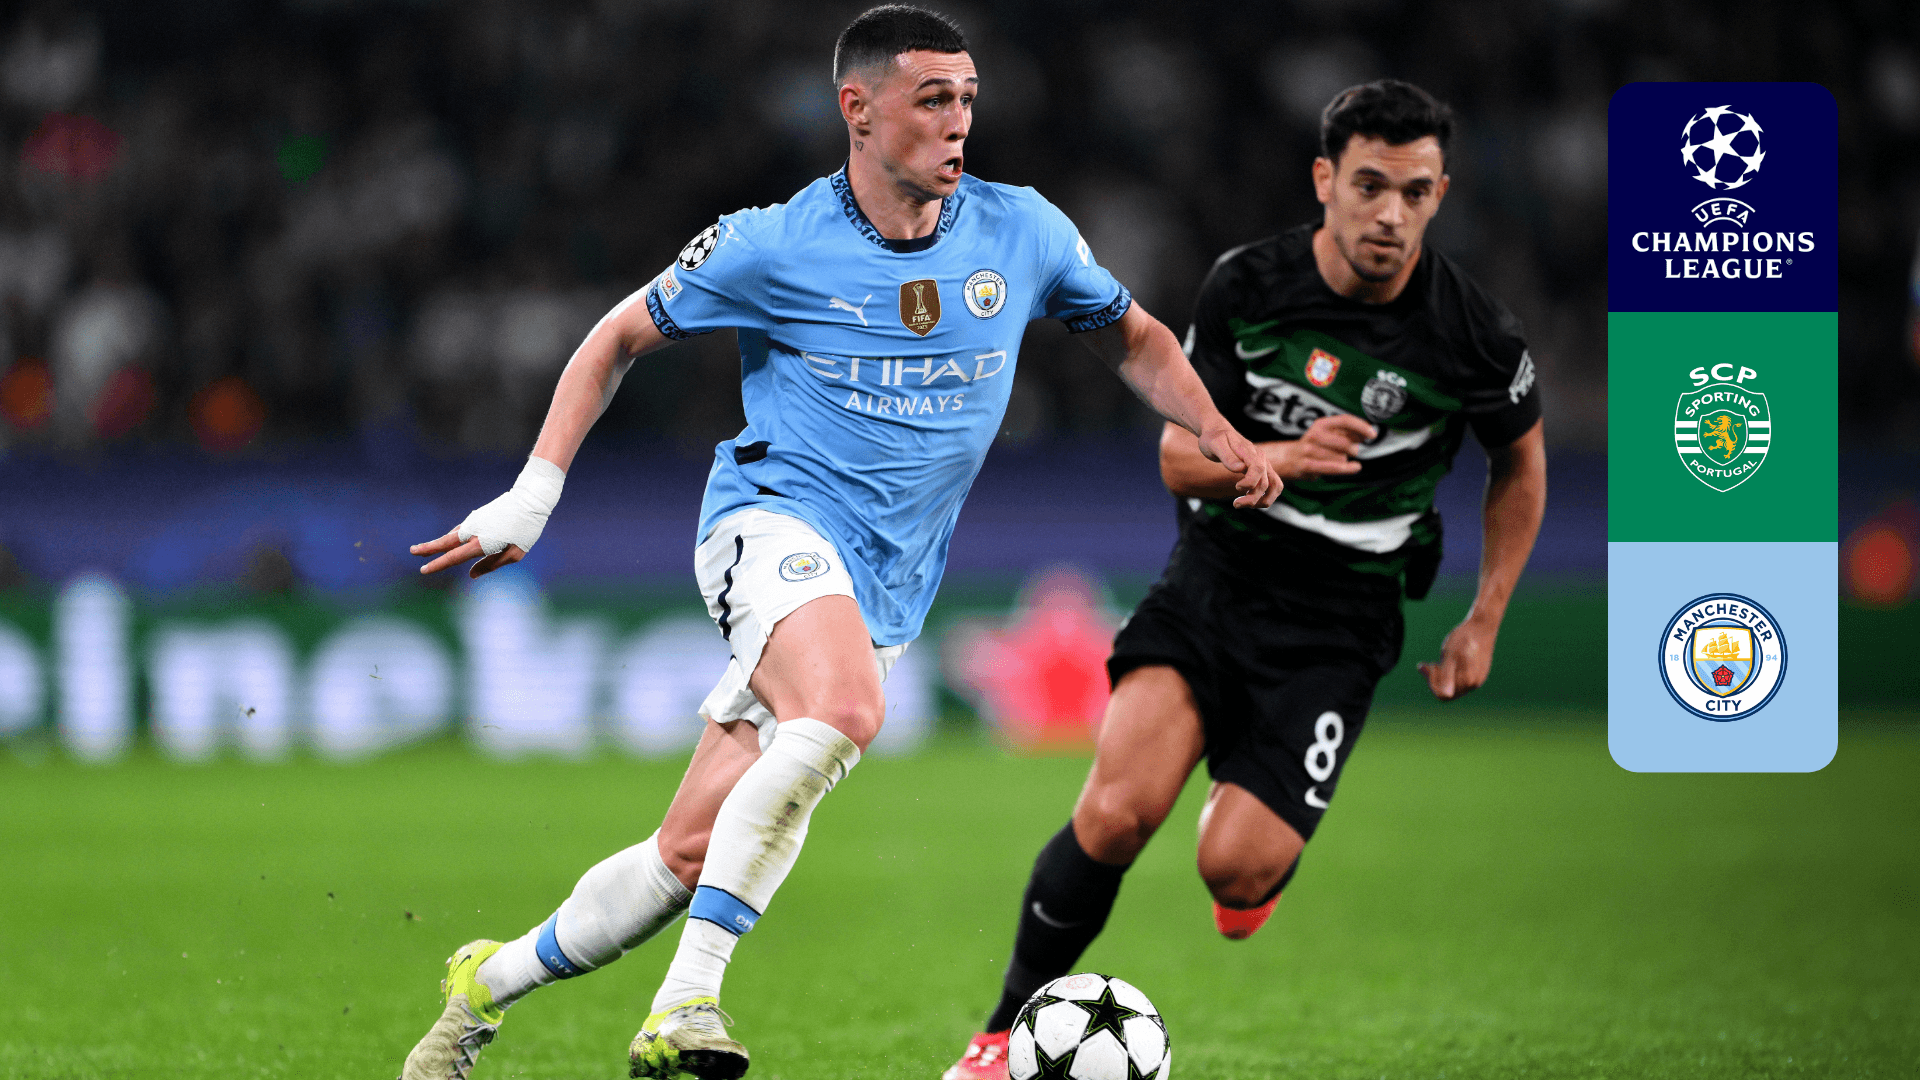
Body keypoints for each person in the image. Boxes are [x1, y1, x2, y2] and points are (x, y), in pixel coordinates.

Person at [393, 7, 1279, 1080]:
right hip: (768, 522)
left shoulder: (1024, 232)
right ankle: (685, 1004)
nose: (958, 123)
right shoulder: (771, 243)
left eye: (968, 100)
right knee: (848, 710)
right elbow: (616, 336)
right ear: (857, 109)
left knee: (687, 853)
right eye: (932, 99)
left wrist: (1216, 428)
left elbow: (1133, 338)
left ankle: (482, 987)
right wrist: (533, 497)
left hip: (887, 586)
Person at [942, 79, 1547, 1079]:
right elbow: (1178, 461)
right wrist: (1278, 458)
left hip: (1342, 621)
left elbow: (1520, 466)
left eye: (1415, 192)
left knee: (1233, 866)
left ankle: (1251, 877)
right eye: (1370, 186)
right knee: (1115, 812)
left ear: (1439, 196)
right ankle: (999, 1035)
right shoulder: (1250, 286)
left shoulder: (1474, 334)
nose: (1390, 215)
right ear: (1325, 181)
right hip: (1218, 578)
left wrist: (1485, 615)